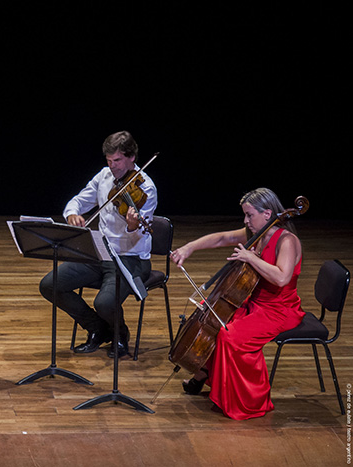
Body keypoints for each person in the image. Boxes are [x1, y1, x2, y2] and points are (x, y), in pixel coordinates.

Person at [170, 187, 305, 420]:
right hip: (252, 301)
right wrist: (188, 247)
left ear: (267, 213)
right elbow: (223, 237)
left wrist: (251, 257)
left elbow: (281, 278)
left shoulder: (287, 241)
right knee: (212, 318)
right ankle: (205, 373)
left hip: (279, 310)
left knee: (230, 337)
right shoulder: (257, 234)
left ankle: (250, 402)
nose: (245, 220)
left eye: (249, 215)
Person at [39, 130, 157, 358]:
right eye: (109, 161)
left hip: (130, 258)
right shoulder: (104, 177)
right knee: (50, 284)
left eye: (118, 160)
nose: (113, 166)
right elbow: (78, 200)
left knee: (104, 302)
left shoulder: (146, 189)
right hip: (100, 253)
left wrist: (132, 226)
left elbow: (139, 236)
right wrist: (72, 213)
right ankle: (96, 327)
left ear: (132, 157)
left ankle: (120, 334)